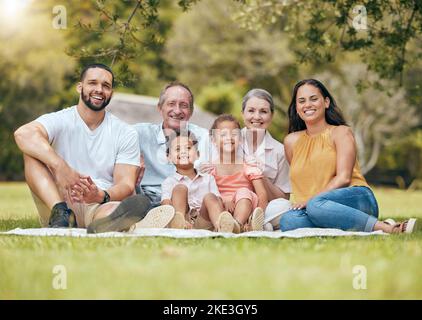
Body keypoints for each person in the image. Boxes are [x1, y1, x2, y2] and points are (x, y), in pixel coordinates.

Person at [14, 63, 152, 231]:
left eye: (106, 86)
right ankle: (61, 216)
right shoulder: (60, 119)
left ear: (111, 93)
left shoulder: (125, 132)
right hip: (57, 199)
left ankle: (107, 222)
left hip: (96, 201)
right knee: (32, 150)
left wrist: (101, 195)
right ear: (80, 87)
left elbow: (126, 184)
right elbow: (23, 134)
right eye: (93, 83)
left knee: (114, 208)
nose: (99, 89)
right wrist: (61, 167)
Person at [280, 79, 418, 234]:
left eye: (314, 99)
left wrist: (311, 200)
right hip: (316, 208)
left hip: (356, 198)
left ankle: (387, 228)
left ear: (326, 102)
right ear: (297, 108)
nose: (308, 105)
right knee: (288, 221)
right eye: (302, 101)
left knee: (315, 205)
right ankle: (354, 222)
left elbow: (344, 178)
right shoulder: (291, 141)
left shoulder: (341, 132)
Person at [133, 81, 210, 208]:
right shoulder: (139, 133)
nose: (177, 110)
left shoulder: (202, 137)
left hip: (187, 202)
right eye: (171, 104)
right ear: (160, 108)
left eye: (184, 105)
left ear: (191, 111)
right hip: (146, 200)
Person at [160, 130, 233, 232]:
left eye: (188, 148)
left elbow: (218, 201)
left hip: (202, 220)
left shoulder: (208, 178)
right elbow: (166, 203)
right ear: (169, 157)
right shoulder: (169, 182)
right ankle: (179, 224)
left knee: (210, 197)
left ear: (197, 155)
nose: (183, 152)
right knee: (180, 188)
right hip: (183, 219)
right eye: (177, 149)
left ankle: (221, 227)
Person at [240, 88, 291, 231]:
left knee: (285, 207)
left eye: (263, 111)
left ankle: (253, 222)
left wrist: (260, 175)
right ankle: (255, 224)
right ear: (242, 113)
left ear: (272, 115)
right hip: (233, 202)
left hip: (264, 207)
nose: (257, 117)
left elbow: (283, 197)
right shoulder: (228, 142)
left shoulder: (280, 151)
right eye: (251, 111)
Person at [207, 114, 268, 233]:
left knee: (243, 192)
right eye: (223, 134)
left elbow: (262, 194)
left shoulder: (249, 167)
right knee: (211, 197)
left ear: (240, 139)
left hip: (245, 207)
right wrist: (224, 200)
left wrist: (257, 216)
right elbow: (207, 192)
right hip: (221, 210)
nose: (229, 137)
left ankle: (237, 224)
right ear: (213, 140)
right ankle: (222, 225)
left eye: (234, 134)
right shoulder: (210, 169)